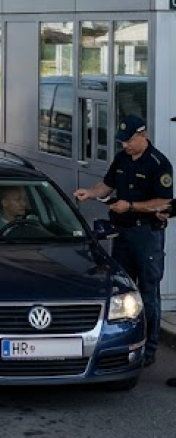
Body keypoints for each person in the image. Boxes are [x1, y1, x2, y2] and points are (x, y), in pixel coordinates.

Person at [74, 115, 172, 368]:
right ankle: (123, 344)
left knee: (148, 292)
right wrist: (90, 193)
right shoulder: (122, 159)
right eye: (122, 142)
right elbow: (107, 186)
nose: (125, 145)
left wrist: (130, 206)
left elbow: (163, 203)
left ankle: (149, 350)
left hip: (146, 234)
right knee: (121, 291)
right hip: (122, 233)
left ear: (143, 135)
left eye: (129, 141)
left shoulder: (158, 163)